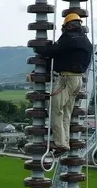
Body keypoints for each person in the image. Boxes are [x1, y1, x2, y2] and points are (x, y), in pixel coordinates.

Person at [36, 13, 93, 155]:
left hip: (65, 80)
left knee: (55, 109)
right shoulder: (85, 40)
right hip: (78, 80)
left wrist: (40, 49)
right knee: (66, 112)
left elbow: (52, 52)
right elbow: (64, 54)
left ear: (68, 26)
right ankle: (64, 142)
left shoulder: (69, 37)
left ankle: (59, 143)